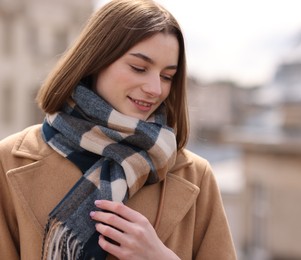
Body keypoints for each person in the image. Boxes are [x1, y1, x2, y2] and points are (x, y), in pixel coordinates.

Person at [0, 0, 237, 259]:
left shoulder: (194, 176)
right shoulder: (9, 160)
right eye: (139, 68)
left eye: (167, 76)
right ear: (95, 60)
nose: (155, 89)